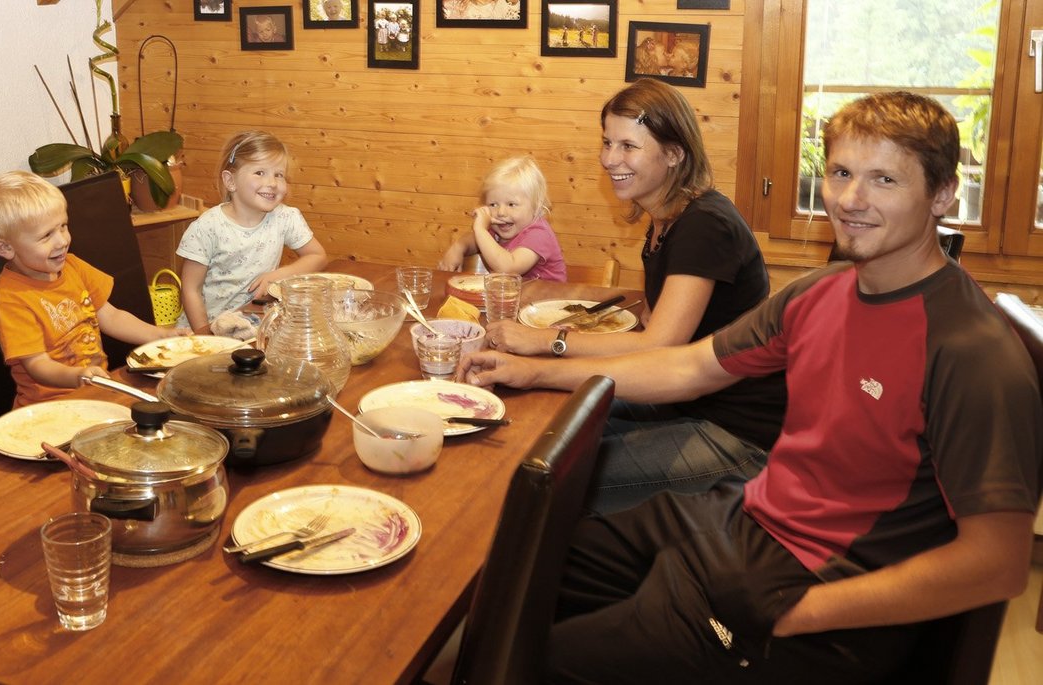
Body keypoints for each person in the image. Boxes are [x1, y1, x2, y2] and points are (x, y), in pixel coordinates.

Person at [460, 91, 1043, 682]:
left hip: (802, 587)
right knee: (529, 564)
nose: (850, 199)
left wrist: (803, 612)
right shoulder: (821, 292)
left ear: (942, 195)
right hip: (745, 518)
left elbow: (996, 563)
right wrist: (535, 369)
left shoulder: (971, 352)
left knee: (525, 666)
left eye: (884, 180)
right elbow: (688, 366)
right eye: (840, 173)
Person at [477, 79, 784, 513]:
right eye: (607, 143)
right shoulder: (665, 220)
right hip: (683, 399)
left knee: (551, 482)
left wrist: (543, 344)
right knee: (543, 429)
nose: (609, 159)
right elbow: (653, 331)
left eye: (628, 146)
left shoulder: (705, 225)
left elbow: (659, 345)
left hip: (736, 429)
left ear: (675, 154)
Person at [0, 171, 183, 408]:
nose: (62, 240)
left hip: (97, 391)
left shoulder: (72, 266)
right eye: (46, 235)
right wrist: (78, 376)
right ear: (5, 248)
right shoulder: (10, 300)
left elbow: (111, 316)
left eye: (63, 226)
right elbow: (38, 366)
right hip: (50, 406)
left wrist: (161, 335)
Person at [176, 130, 328, 333]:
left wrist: (279, 275)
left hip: (254, 326)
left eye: (279, 175)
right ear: (230, 181)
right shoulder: (207, 227)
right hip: (207, 330)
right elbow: (190, 289)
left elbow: (317, 256)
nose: (272, 183)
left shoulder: (286, 217)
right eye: (259, 172)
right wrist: (206, 337)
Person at [438, 155, 568, 282]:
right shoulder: (498, 230)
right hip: (515, 300)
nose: (501, 212)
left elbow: (507, 269)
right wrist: (458, 247)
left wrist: (480, 229)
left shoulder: (539, 234)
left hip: (548, 301)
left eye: (511, 204)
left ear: (536, 206)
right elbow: (473, 240)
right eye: (493, 204)